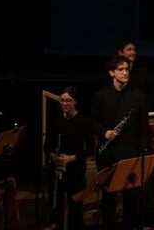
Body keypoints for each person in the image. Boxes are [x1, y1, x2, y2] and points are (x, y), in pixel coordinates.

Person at [91, 55, 149, 229]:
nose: (125, 73)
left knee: (131, 200)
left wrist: (141, 154)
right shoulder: (100, 96)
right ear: (111, 72)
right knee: (108, 199)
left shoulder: (138, 95)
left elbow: (143, 127)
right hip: (107, 155)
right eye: (120, 70)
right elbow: (92, 121)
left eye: (126, 69)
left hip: (130, 156)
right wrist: (104, 132)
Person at [44, 87, 93, 230]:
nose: (64, 104)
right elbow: (47, 146)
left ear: (75, 102)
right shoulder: (56, 121)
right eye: (62, 100)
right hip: (58, 170)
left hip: (76, 169)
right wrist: (54, 157)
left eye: (68, 100)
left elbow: (91, 149)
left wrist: (72, 158)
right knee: (57, 205)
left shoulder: (84, 122)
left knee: (75, 207)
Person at [113, 40, 154, 110]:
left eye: (134, 50)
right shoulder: (114, 72)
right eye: (129, 50)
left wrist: (141, 106)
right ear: (120, 53)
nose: (133, 52)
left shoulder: (143, 72)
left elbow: (152, 94)